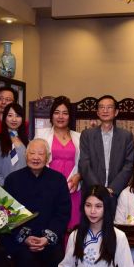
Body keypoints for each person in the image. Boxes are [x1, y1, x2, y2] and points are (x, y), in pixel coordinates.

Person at [3, 139, 71, 267]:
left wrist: (47, 238)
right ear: (26, 156)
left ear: (48, 157)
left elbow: (63, 213)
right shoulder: (13, 180)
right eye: (32, 153)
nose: (36, 157)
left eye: (41, 154)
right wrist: (25, 238)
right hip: (23, 241)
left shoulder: (58, 180)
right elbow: (7, 215)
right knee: (26, 261)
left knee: (58, 260)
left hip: (48, 239)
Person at [35, 96, 82, 230]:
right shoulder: (41, 134)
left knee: (72, 227)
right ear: (51, 115)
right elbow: (34, 161)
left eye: (65, 113)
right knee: (50, 225)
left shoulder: (79, 137)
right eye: (57, 112)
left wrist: (79, 176)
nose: (60, 116)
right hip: (48, 187)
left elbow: (85, 162)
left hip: (72, 187)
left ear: (70, 116)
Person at [78, 95, 134, 201]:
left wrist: (113, 188)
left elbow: (129, 164)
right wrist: (98, 190)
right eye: (101, 107)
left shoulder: (126, 136)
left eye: (109, 107)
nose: (105, 110)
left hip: (116, 193)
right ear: (97, 112)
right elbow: (84, 164)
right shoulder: (87, 135)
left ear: (116, 112)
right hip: (92, 192)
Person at [0, 102, 29, 186]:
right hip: (4, 187)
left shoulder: (27, 142)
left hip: (24, 186)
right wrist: (5, 186)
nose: (14, 119)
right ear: (4, 118)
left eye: (18, 116)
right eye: (10, 115)